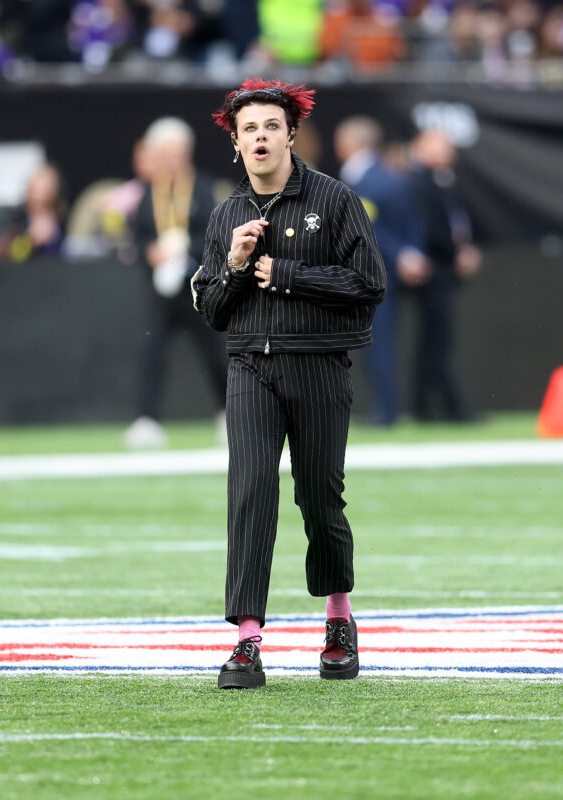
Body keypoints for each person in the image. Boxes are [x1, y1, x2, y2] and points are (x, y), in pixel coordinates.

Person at [191, 79, 386, 689]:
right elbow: (213, 310)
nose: (261, 138)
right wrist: (233, 268)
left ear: (290, 134)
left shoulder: (335, 200)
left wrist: (283, 274)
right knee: (250, 494)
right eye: (249, 128)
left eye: (271, 126)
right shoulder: (226, 214)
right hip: (250, 365)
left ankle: (338, 617)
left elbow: (368, 285)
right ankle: (247, 639)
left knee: (320, 500)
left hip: (319, 365)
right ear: (235, 141)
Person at [124, 117, 227, 450]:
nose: (172, 159)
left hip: (198, 288)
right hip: (161, 291)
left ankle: (229, 414)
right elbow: (137, 238)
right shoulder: (146, 192)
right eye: (165, 153)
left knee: (215, 353)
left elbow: (215, 234)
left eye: (177, 152)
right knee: (151, 352)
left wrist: (186, 248)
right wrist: (151, 251)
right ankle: (147, 420)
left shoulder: (203, 186)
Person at [334, 115, 422, 424]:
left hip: (370, 274)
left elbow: (367, 228)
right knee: (381, 342)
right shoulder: (394, 175)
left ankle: (385, 411)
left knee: (377, 344)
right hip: (390, 272)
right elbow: (411, 222)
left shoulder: (361, 180)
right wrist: (412, 253)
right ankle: (385, 408)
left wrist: (401, 255)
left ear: (349, 144)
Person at [402, 128, 482, 422]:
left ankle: (425, 405)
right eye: (442, 146)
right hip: (433, 270)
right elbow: (430, 229)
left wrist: (465, 248)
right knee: (435, 342)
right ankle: (447, 406)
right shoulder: (417, 182)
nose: (449, 152)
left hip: (444, 271)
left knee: (437, 341)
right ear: (422, 147)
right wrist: (454, 251)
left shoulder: (443, 180)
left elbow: (456, 221)